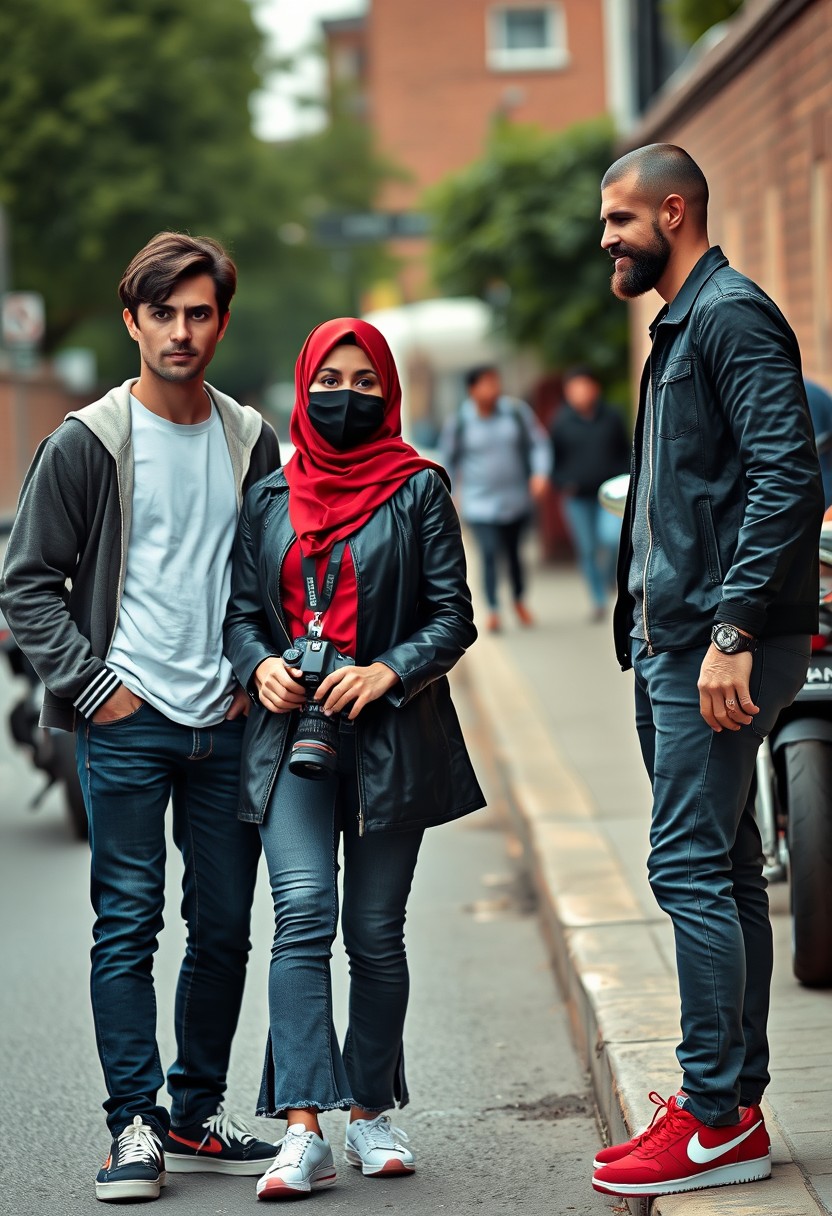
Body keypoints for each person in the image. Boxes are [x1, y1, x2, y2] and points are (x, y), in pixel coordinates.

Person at [0, 232, 282, 1202]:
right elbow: (25, 582)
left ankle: (196, 1113)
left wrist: (260, 664)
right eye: (162, 312)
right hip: (125, 720)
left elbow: (273, 571)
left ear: (221, 322)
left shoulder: (250, 437)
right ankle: (133, 1123)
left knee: (226, 925)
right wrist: (89, 684)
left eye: (199, 312)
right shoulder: (89, 440)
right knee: (126, 922)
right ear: (133, 321)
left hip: (229, 718)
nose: (181, 330)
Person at [592, 145, 823, 1200]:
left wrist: (731, 631)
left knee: (686, 866)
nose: (605, 238)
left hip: (710, 647)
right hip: (675, 641)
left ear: (671, 212)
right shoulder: (683, 324)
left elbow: (788, 472)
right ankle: (731, 1103)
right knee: (725, 870)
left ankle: (714, 1110)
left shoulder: (727, 316)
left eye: (618, 219)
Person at [223, 317, 484, 1201]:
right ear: (303, 384)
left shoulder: (418, 489)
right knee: (302, 912)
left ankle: (370, 1112)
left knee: (375, 934)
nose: (347, 395)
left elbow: (454, 617)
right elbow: (239, 615)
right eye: (331, 378)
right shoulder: (268, 496)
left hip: (390, 740)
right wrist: (259, 664)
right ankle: (303, 1131)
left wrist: (387, 672)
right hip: (285, 735)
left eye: (366, 381)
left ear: (389, 391)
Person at [440, 365, 551, 633]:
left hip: (516, 500)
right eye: (486, 384)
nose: (494, 389)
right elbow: (448, 461)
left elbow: (539, 443)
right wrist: (451, 494)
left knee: (514, 555)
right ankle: (492, 609)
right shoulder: (460, 421)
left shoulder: (516, 412)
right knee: (489, 554)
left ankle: (519, 599)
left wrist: (540, 473)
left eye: (495, 383)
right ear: (472, 389)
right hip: (479, 504)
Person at [550, 366, 631, 620]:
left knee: (612, 539)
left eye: (585, 386)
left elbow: (627, 450)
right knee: (587, 549)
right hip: (577, 498)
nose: (580, 393)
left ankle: (609, 578)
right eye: (574, 389)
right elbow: (553, 462)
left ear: (595, 388)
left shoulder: (612, 416)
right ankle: (598, 600)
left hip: (610, 495)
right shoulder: (560, 421)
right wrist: (564, 482)